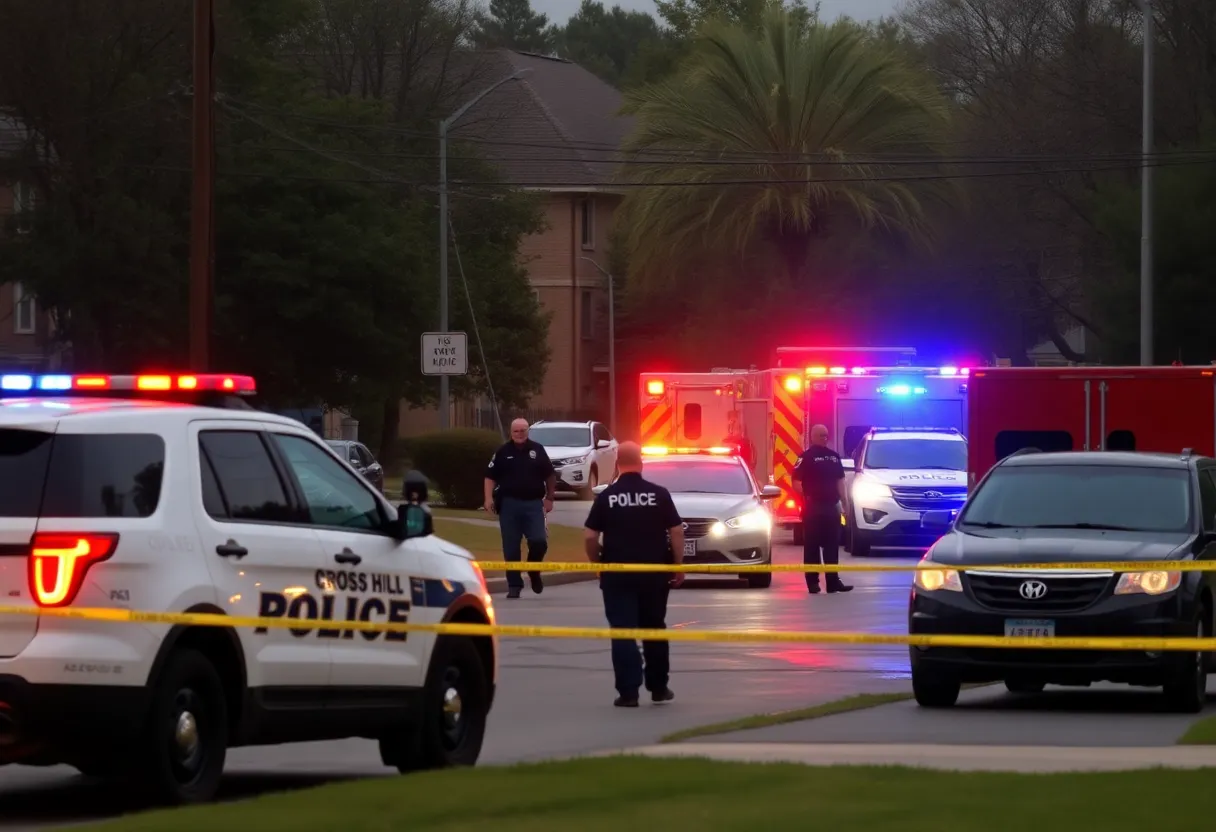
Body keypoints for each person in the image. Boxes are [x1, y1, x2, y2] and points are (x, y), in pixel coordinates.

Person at [584, 441, 684, 707]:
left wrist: (598, 562)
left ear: (618, 464)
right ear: (640, 463)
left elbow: (590, 536)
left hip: (617, 575)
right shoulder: (659, 494)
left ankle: (628, 693)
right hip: (654, 574)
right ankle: (659, 687)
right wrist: (677, 565)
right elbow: (676, 530)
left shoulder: (607, 497)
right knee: (654, 628)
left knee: (622, 630)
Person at [484, 418, 556, 599]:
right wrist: (487, 498)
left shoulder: (537, 450)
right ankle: (514, 585)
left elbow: (549, 475)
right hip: (509, 505)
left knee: (539, 541)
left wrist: (550, 498)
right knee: (511, 547)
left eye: (523, 430)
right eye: (516, 431)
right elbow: (489, 476)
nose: (520, 433)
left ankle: (534, 569)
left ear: (528, 431)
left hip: (533, 504)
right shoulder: (502, 451)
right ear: (511, 432)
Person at [791, 424, 853, 595]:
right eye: (821, 435)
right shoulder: (805, 457)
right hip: (813, 507)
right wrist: (808, 495)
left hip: (831, 507)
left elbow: (840, 482)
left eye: (826, 435)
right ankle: (813, 583)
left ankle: (833, 582)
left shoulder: (834, 457)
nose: (824, 438)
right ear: (812, 436)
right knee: (811, 547)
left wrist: (845, 503)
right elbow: (795, 482)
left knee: (832, 546)